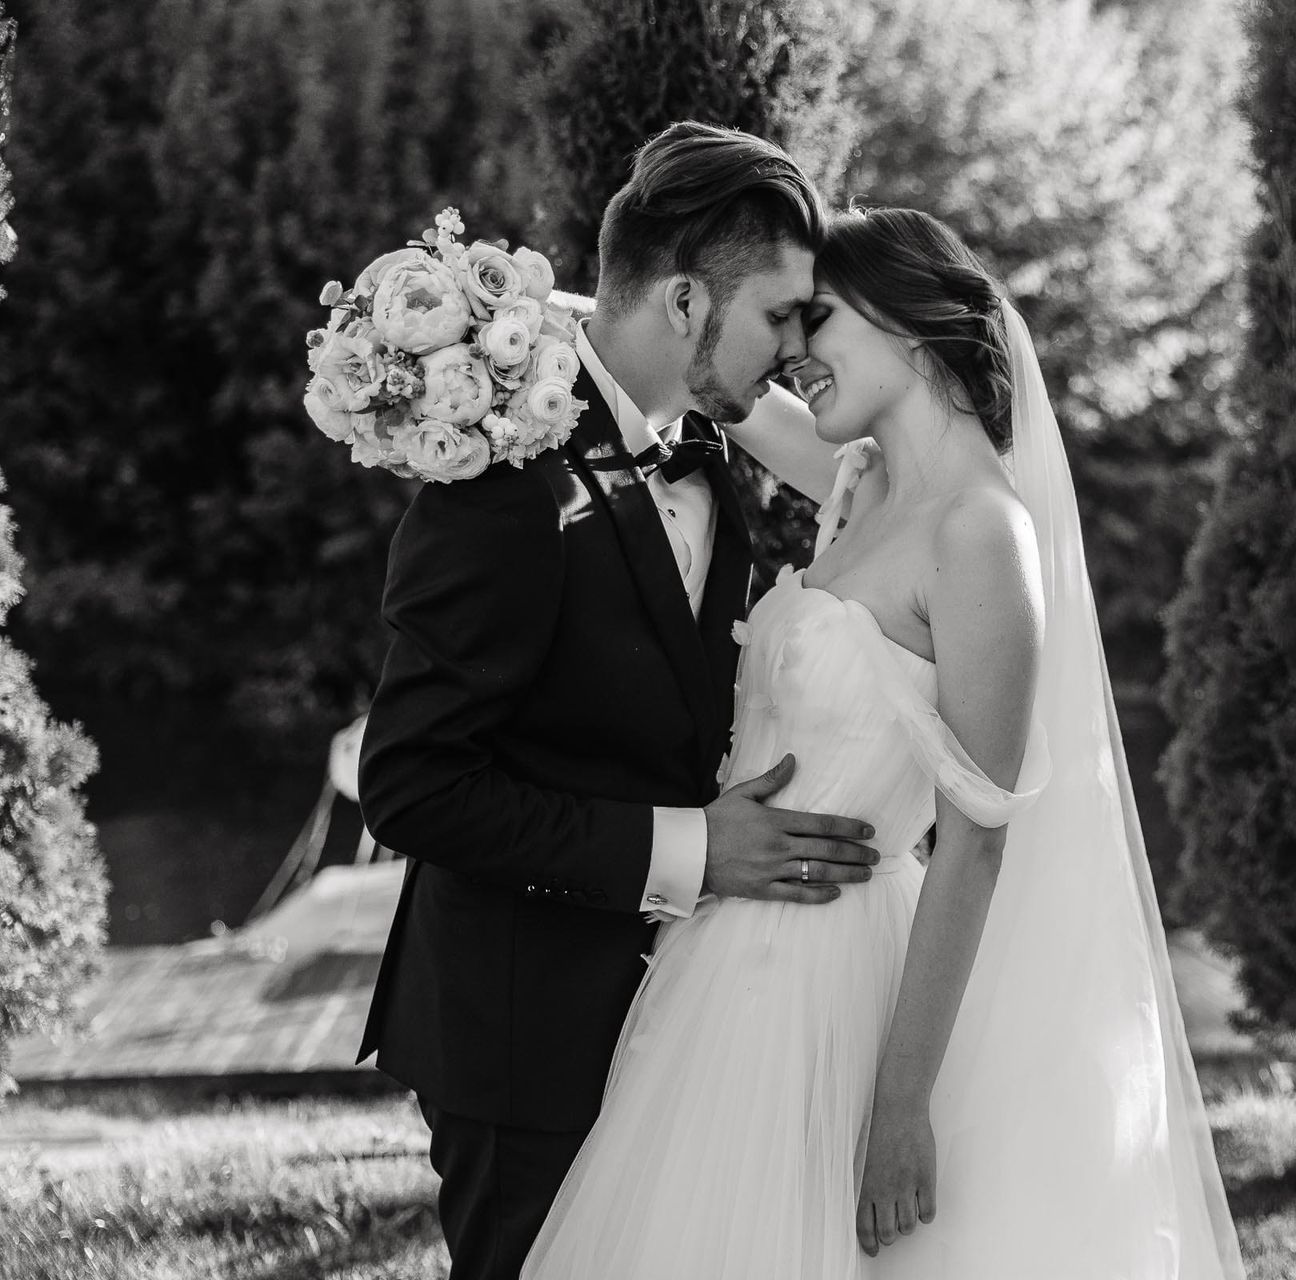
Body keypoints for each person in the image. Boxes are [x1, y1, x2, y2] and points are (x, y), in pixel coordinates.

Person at [522, 207, 1246, 1279]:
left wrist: (901, 1100)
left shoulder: (981, 532)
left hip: (838, 982)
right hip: (719, 970)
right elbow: (677, 367)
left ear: (913, 326)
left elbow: (979, 839)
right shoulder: (858, 488)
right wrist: (505, 312)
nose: (793, 352)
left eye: (816, 320)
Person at [355, 123, 879, 1280]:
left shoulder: (706, 441)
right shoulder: (497, 478)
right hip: (522, 1034)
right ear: (689, 301)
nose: (799, 348)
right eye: (782, 314)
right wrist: (694, 850)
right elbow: (412, 784)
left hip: (683, 1024)